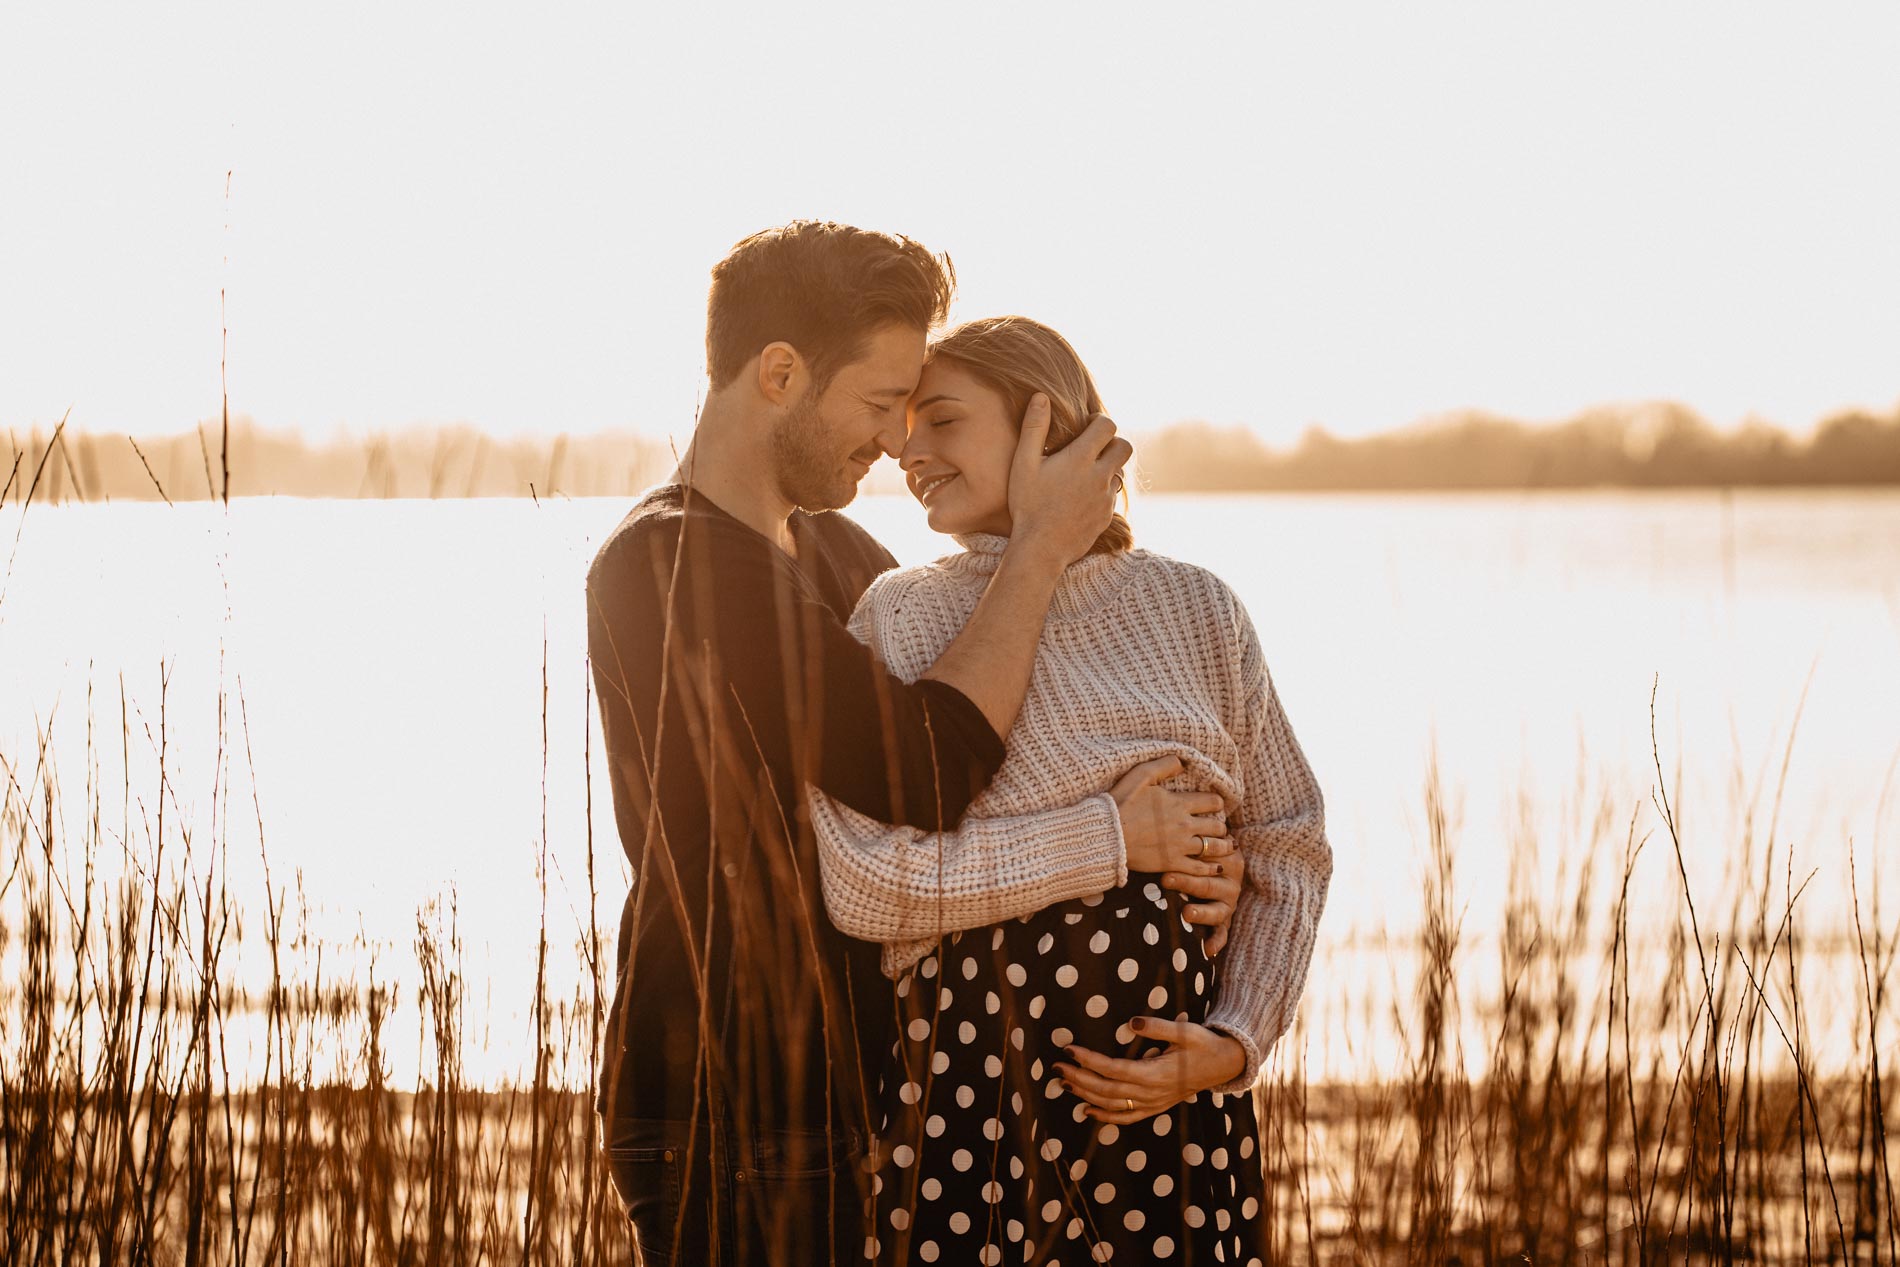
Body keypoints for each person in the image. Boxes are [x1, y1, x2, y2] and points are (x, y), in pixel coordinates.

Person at [584, 223, 1243, 1266]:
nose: (896, 439)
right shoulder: (670, 562)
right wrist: (1040, 545)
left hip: (877, 1090)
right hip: (734, 1101)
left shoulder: (850, 557)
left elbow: (997, 765)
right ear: (780, 373)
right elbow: (926, 772)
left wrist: (1193, 838)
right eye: (879, 399)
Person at [805, 316, 1332, 1266]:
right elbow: (868, 884)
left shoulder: (1195, 607)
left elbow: (1290, 840)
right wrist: (1114, 836)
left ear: (1044, 424)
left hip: (1166, 1120)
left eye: (945, 421)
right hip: (971, 1109)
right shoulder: (900, 616)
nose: (908, 450)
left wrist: (1235, 1040)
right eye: (907, 423)